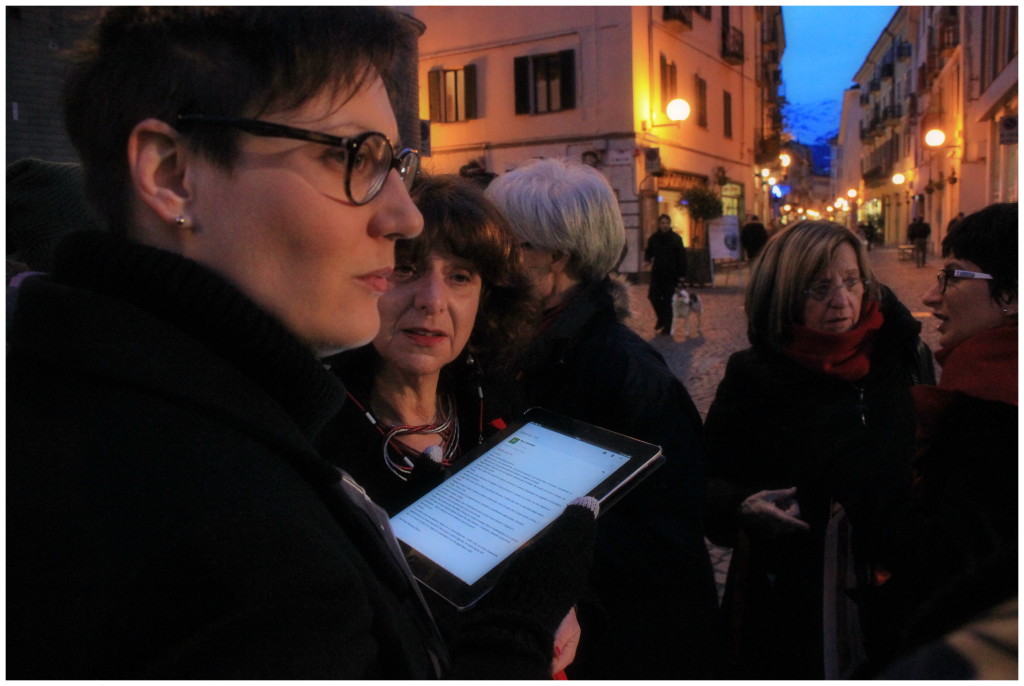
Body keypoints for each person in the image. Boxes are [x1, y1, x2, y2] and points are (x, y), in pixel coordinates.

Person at [6, 8, 597, 679]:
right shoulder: (239, 543)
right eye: (352, 156)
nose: (403, 216)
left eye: (395, 163)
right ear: (172, 175)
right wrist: (513, 630)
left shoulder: (80, 396)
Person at [486, 158, 722, 680]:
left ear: (557, 257)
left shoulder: (622, 369)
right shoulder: (514, 346)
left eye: (509, 243)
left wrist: (538, 532)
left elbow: (666, 532)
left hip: (619, 639)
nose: (492, 257)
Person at [703, 220, 927, 679]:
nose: (842, 301)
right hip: (792, 601)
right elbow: (706, 483)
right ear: (784, 293)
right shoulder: (753, 376)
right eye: (820, 288)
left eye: (850, 282)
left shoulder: (897, 355)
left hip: (897, 590)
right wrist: (740, 506)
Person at [873, 202, 1018, 677]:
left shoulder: (988, 414)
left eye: (953, 276)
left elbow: (952, 570)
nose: (932, 296)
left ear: (1012, 295)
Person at [644, 213, 687, 333]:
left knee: (668, 300)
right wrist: (647, 260)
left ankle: (667, 327)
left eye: (667, 223)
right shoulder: (654, 238)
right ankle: (661, 318)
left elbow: (682, 257)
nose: (665, 225)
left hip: (671, 274)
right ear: (659, 224)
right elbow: (649, 252)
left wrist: (682, 275)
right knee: (653, 296)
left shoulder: (676, 239)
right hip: (657, 273)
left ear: (670, 224)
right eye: (663, 223)